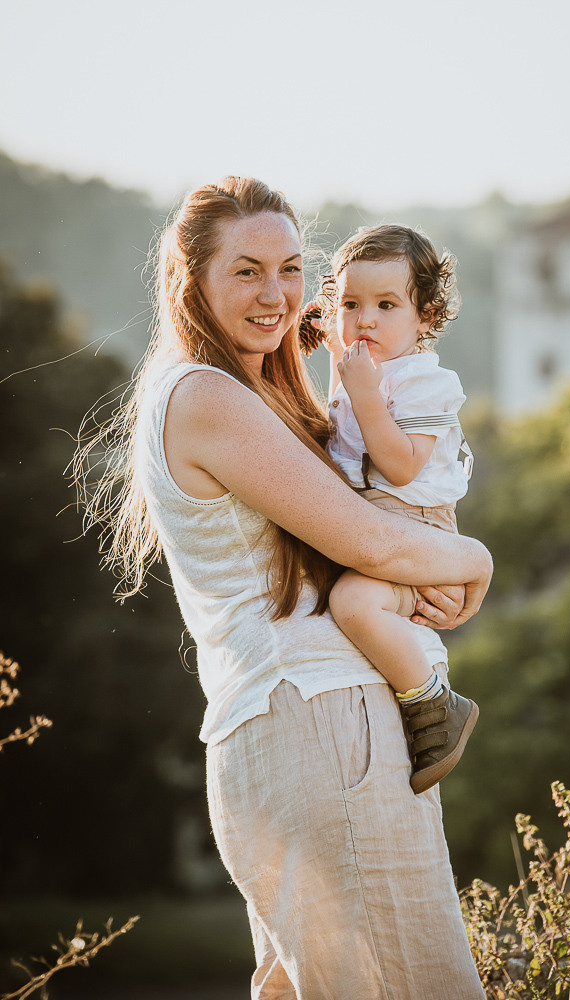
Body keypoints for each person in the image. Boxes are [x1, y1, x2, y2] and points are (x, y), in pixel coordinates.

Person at [76, 177, 491, 999]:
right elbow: (365, 537)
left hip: (285, 730)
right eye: (246, 271)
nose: (275, 294)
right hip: (321, 720)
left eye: (291, 269)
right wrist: (469, 560)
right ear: (189, 278)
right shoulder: (206, 395)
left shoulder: (248, 389)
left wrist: (414, 582)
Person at [313, 224, 478, 795]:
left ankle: (433, 705)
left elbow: (402, 465)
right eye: (350, 305)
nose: (365, 320)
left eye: (386, 305)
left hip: (415, 527)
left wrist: (361, 390)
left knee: (353, 602)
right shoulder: (360, 367)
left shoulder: (426, 381)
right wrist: (331, 352)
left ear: (425, 317)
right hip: (373, 526)